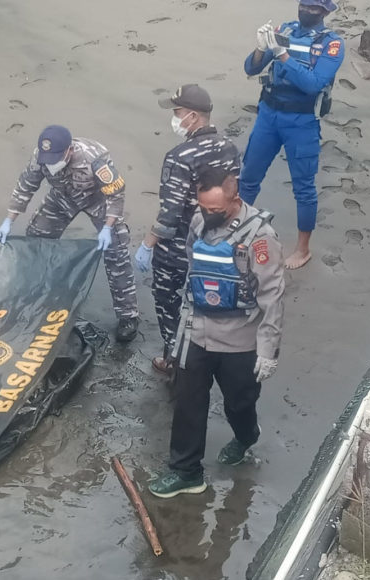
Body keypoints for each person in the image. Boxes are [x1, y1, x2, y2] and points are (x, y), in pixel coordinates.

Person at [148, 167, 284, 499]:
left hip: (240, 338)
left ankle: (246, 436)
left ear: (236, 199)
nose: (208, 215)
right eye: (203, 207)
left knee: (239, 403)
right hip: (197, 330)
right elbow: (194, 268)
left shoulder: (260, 238)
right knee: (187, 401)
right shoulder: (199, 221)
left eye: (215, 210)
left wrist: (267, 350)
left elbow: (272, 295)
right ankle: (186, 471)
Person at [0, 125, 140, 342]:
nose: (51, 163)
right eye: (48, 158)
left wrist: (108, 227)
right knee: (36, 238)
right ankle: (35, 293)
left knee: (116, 251)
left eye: (56, 158)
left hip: (97, 199)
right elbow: (26, 185)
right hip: (62, 196)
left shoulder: (95, 160)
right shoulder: (41, 156)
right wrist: (9, 220)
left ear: (69, 150)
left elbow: (116, 195)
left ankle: (128, 315)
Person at [134, 84, 241, 376]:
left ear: (193, 117)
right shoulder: (229, 147)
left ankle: (174, 356)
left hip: (181, 244)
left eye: (177, 112)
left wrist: (148, 244)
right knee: (206, 300)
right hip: (219, 240)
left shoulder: (180, 156)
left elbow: (169, 213)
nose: (175, 117)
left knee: (168, 298)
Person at [239, 0, 344, 270]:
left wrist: (283, 55)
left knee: (304, 188)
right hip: (268, 113)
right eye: (304, 4)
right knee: (249, 175)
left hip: (302, 120)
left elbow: (312, 84)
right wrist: (262, 48)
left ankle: (303, 249)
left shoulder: (331, 44)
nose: (306, 10)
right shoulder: (285, 30)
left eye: (313, 7)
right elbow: (251, 68)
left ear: (324, 12)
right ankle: (236, 231)